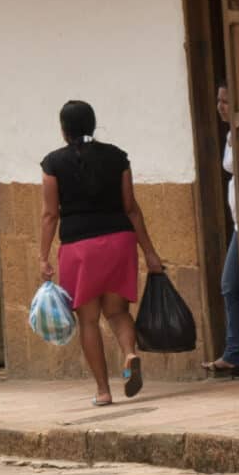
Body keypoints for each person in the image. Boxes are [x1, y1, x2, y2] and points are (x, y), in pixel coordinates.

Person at [37, 102, 165, 407]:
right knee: (118, 313)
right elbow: (131, 208)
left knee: (89, 321)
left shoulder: (52, 164)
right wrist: (149, 252)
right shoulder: (117, 157)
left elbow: (50, 215)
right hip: (119, 242)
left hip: (79, 249)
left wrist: (43, 257)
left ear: (63, 129)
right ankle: (130, 354)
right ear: (93, 125)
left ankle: (103, 391)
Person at [206, 86, 239, 377]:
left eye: (226, 101)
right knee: (232, 286)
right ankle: (235, 353)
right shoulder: (232, 135)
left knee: (230, 285)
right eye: (219, 101)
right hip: (238, 223)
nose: (221, 106)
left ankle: (236, 353)